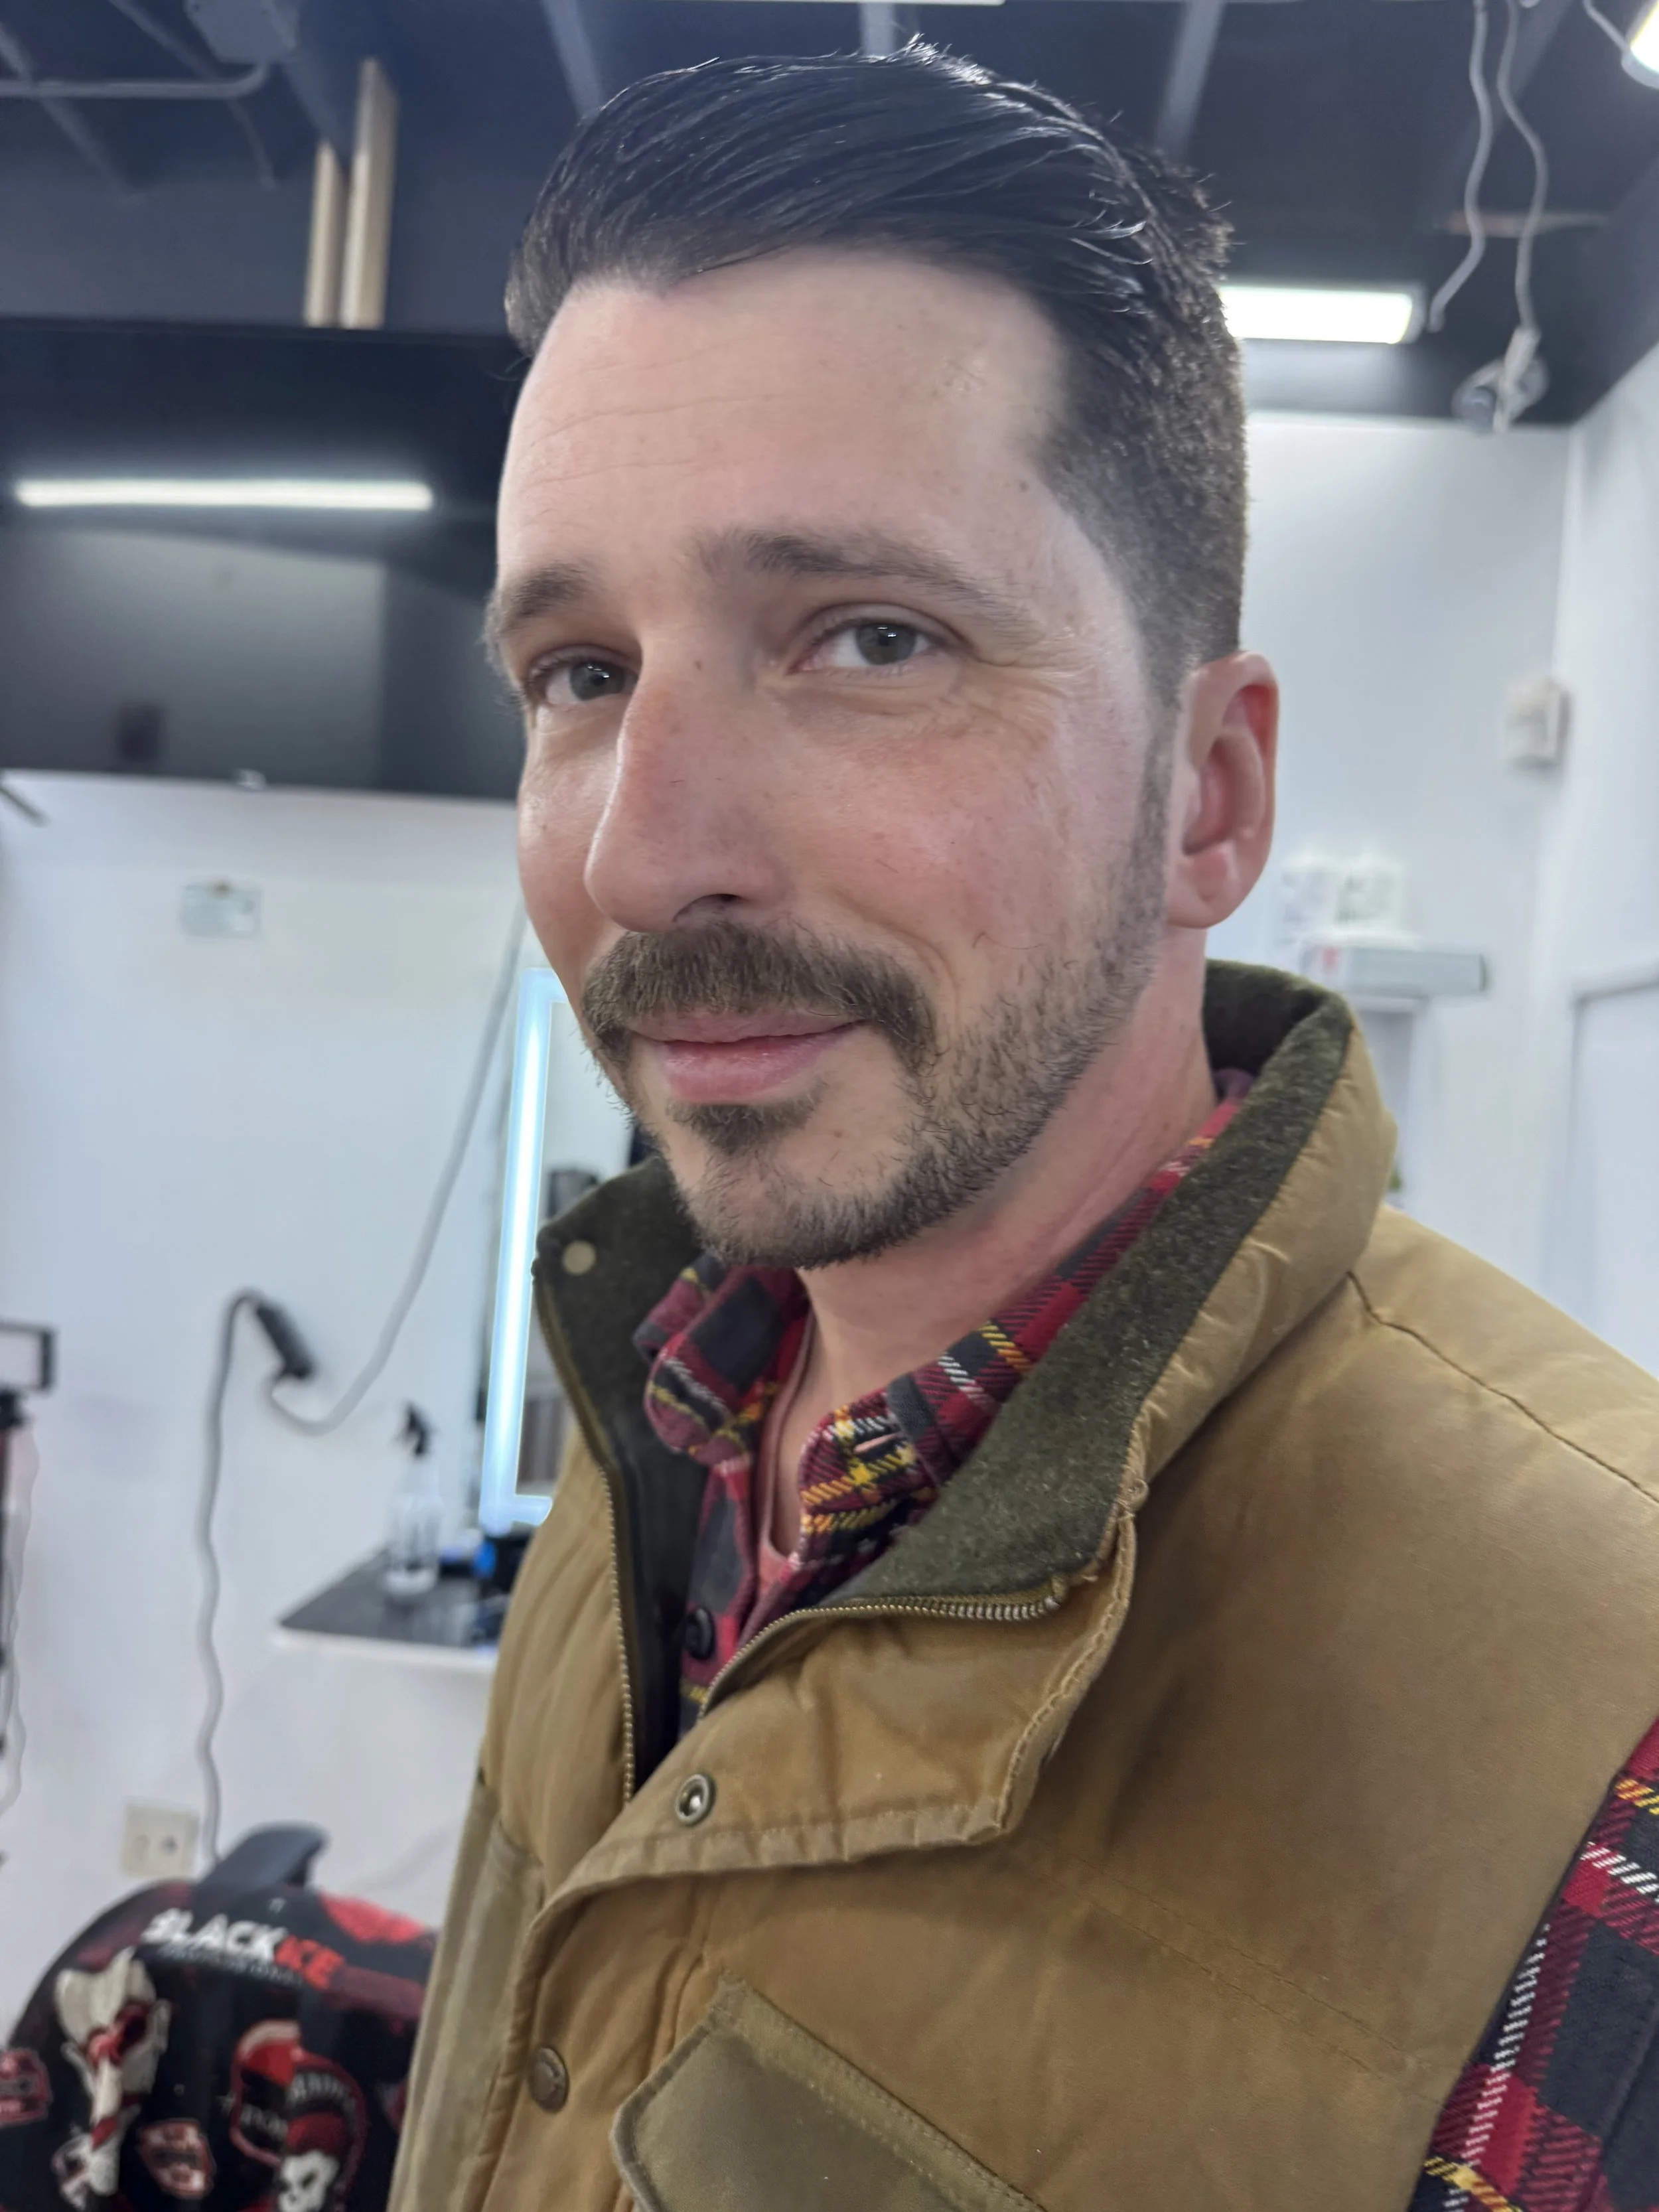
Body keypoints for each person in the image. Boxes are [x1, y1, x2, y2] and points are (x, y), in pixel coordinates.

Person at [390, 47, 1659, 2212]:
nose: (638, 850)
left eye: (867, 638)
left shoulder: (1603, 1730)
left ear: (1210, 795)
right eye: (581, 671)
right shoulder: (658, 1409)